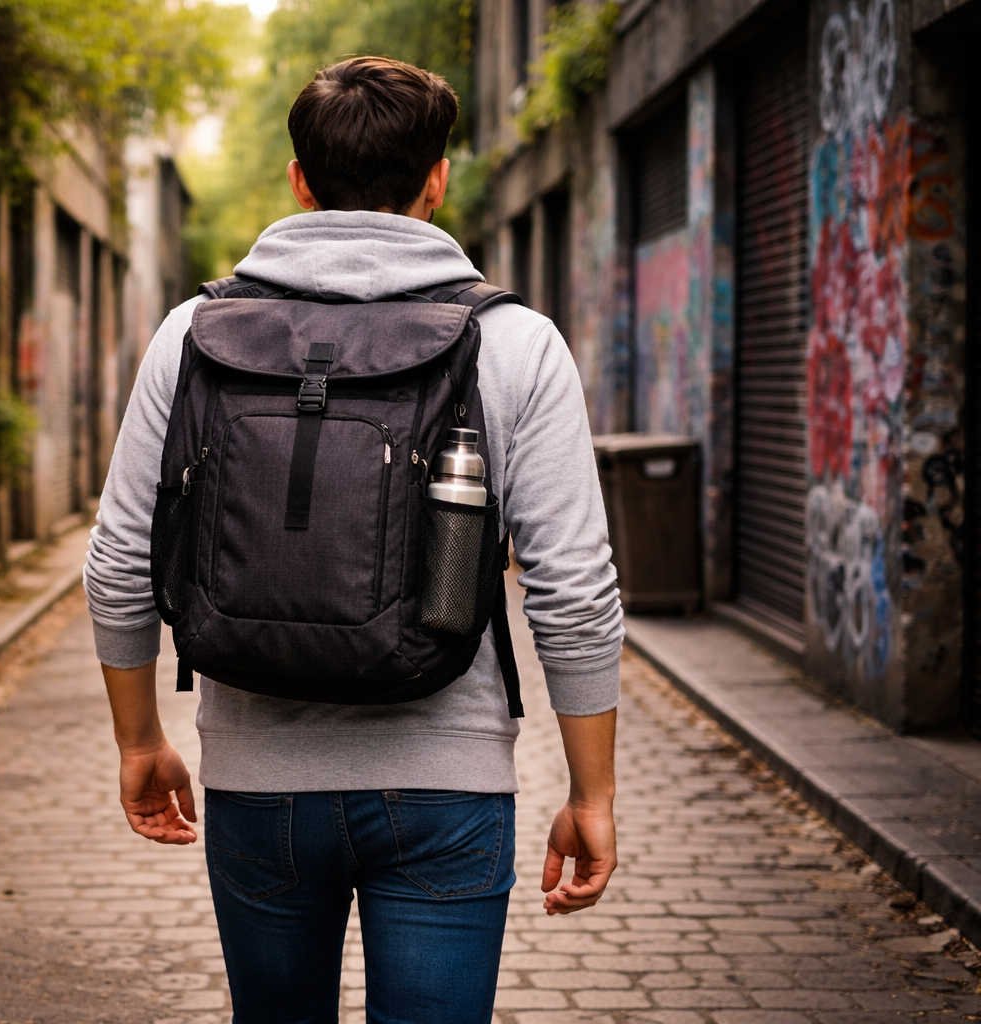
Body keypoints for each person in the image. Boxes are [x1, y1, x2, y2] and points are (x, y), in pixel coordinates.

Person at [83, 55, 623, 1023]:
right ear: (437, 180)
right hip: (448, 782)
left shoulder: (192, 333)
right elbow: (574, 588)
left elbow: (119, 560)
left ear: (299, 180)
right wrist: (593, 793)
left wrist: (140, 740)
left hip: (257, 782)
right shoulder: (515, 342)